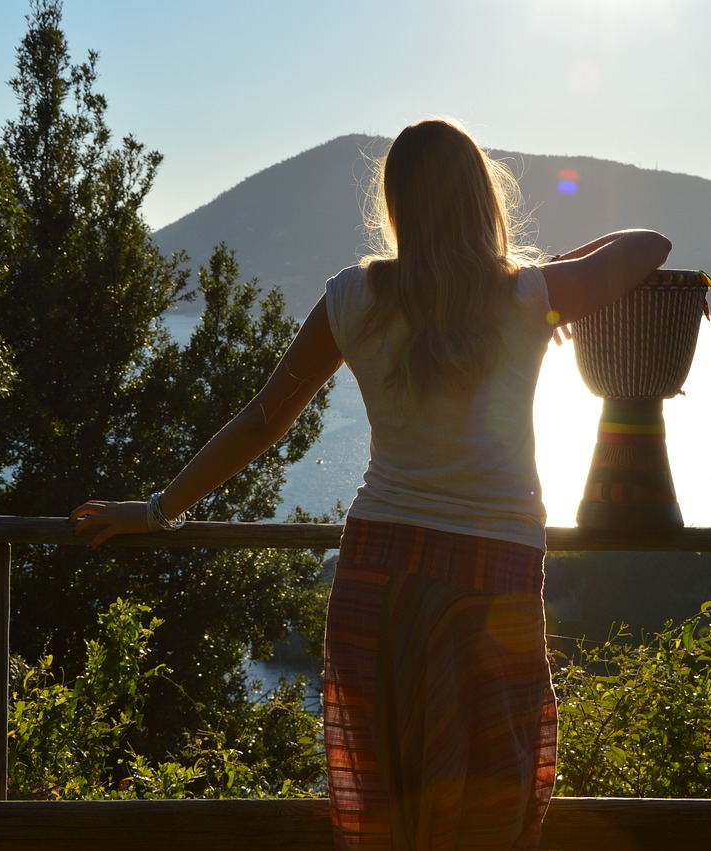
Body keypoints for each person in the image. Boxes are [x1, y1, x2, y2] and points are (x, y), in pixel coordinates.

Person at [71, 116, 671, 850]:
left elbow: (263, 421)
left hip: (376, 576)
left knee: (392, 807)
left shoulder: (353, 298)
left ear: (397, 206)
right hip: (493, 577)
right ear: (482, 200)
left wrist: (160, 509)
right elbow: (649, 246)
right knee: (491, 802)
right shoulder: (527, 296)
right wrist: (541, 272)